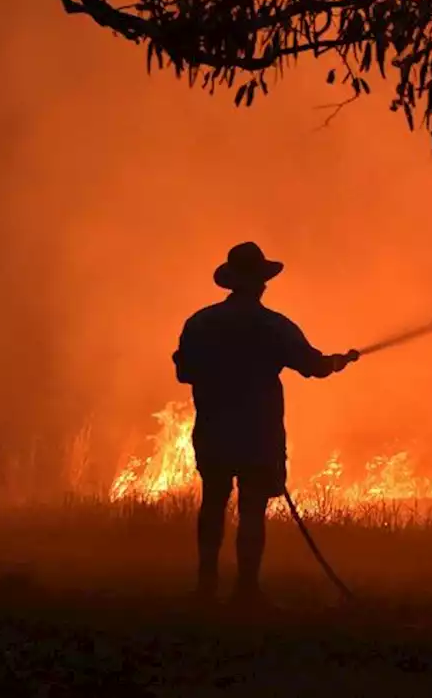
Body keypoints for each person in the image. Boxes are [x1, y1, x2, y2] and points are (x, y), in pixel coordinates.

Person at [173, 242, 359, 606]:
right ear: (259, 284)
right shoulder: (273, 325)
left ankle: (205, 585)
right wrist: (339, 361)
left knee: (213, 503)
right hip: (258, 432)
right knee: (252, 509)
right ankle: (246, 590)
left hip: (213, 427)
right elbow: (314, 367)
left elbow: (185, 373)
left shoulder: (200, 322)